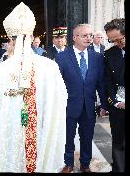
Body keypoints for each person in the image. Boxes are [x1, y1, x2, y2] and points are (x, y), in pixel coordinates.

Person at [0, 2, 68, 173]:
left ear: (11, 40)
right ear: (31, 37)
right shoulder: (49, 66)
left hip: (11, 134)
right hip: (40, 131)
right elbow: (60, 102)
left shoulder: (1, 69)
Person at [55, 24, 107, 173]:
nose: (89, 38)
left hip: (89, 105)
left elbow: (100, 82)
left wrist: (103, 104)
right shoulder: (62, 57)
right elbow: (57, 84)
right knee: (68, 137)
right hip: (68, 106)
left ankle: (85, 164)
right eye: (84, 35)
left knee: (87, 137)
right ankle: (68, 163)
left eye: (90, 35)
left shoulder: (97, 57)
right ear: (74, 37)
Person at [103, 18, 125, 172]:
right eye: (113, 41)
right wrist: (116, 102)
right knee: (118, 143)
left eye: (119, 39)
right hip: (118, 106)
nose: (117, 43)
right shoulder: (109, 54)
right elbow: (108, 82)